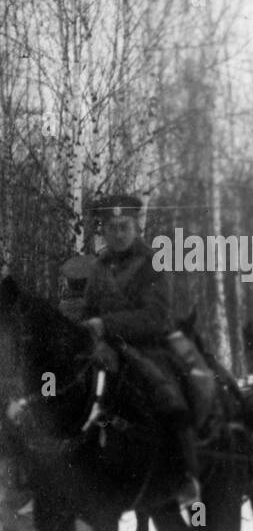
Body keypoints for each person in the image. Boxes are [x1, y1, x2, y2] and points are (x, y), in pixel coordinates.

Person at [82, 195, 201, 507]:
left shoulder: (152, 262)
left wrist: (104, 324)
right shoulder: (98, 267)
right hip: (104, 349)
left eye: (125, 227)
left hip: (146, 348)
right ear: (103, 231)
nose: (119, 234)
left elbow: (155, 318)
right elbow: (88, 310)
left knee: (169, 397)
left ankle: (185, 475)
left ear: (136, 226)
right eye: (112, 228)